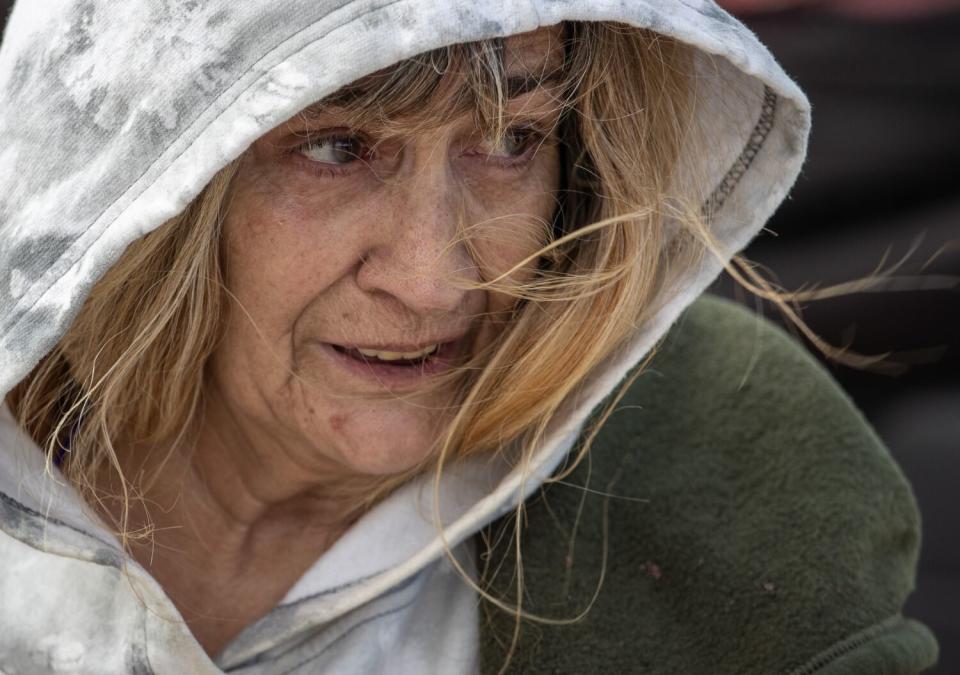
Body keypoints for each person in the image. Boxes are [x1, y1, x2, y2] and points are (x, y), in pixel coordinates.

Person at [0, 1, 939, 673]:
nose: (433, 279)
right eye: (336, 148)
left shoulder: (718, 457)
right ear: (147, 178)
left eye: (511, 142)